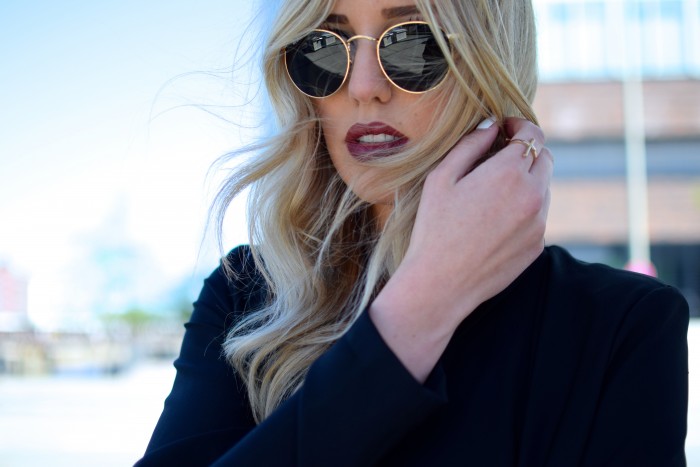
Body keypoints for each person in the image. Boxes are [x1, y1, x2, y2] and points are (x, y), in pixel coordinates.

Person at [136, 0, 689, 465]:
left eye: (413, 45)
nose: (363, 87)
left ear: (489, 63)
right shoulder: (247, 295)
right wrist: (421, 307)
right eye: (325, 49)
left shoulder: (623, 325)